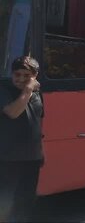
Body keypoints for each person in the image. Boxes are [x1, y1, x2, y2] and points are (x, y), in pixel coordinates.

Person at [0, 56, 44, 222]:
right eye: (17, 74)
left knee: (26, 200)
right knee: (5, 200)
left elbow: (39, 122)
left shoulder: (37, 93)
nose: (21, 79)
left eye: (26, 75)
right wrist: (27, 91)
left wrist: (42, 152)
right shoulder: (4, 89)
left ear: (35, 75)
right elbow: (13, 112)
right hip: (7, 158)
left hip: (32, 158)